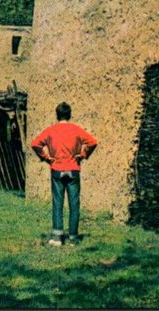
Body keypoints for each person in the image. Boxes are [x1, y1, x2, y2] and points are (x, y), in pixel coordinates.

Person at [31, 102, 98, 246]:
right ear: (70, 115)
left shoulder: (50, 130)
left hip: (57, 169)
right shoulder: (76, 129)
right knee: (74, 203)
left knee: (58, 202)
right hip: (73, 169)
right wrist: (82, 155)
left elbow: (35, 144)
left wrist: (46, 158)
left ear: (57, 115)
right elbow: (93, 142)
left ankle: (57, 238)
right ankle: (73, 237)